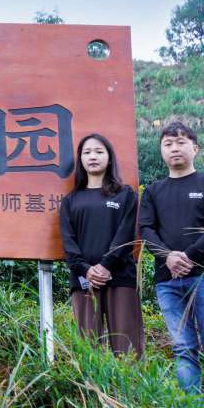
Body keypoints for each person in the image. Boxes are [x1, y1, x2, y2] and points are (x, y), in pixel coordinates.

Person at [139, 121, 204, 399]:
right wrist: (168, 257)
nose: (174, 148)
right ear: (161, 151)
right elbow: (146, 230)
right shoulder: (153, 191)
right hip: (167, 280)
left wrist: (189, 255)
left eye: (181, 142)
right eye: (168, 144)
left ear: (195, 148)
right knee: (183, 349)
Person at [59, 133, 144, 356]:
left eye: (99, 151)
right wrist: (86, 270)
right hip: (83, 280)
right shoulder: (70, 201)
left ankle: (129, 381)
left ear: (109, 157)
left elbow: (126, 234)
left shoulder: (125, 195)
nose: (93, 157)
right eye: (87, 152)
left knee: (127, 348)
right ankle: (92, 382)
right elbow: (69, 243)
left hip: (121, 277)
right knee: (88, 349)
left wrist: (106, 265)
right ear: (80, 159)